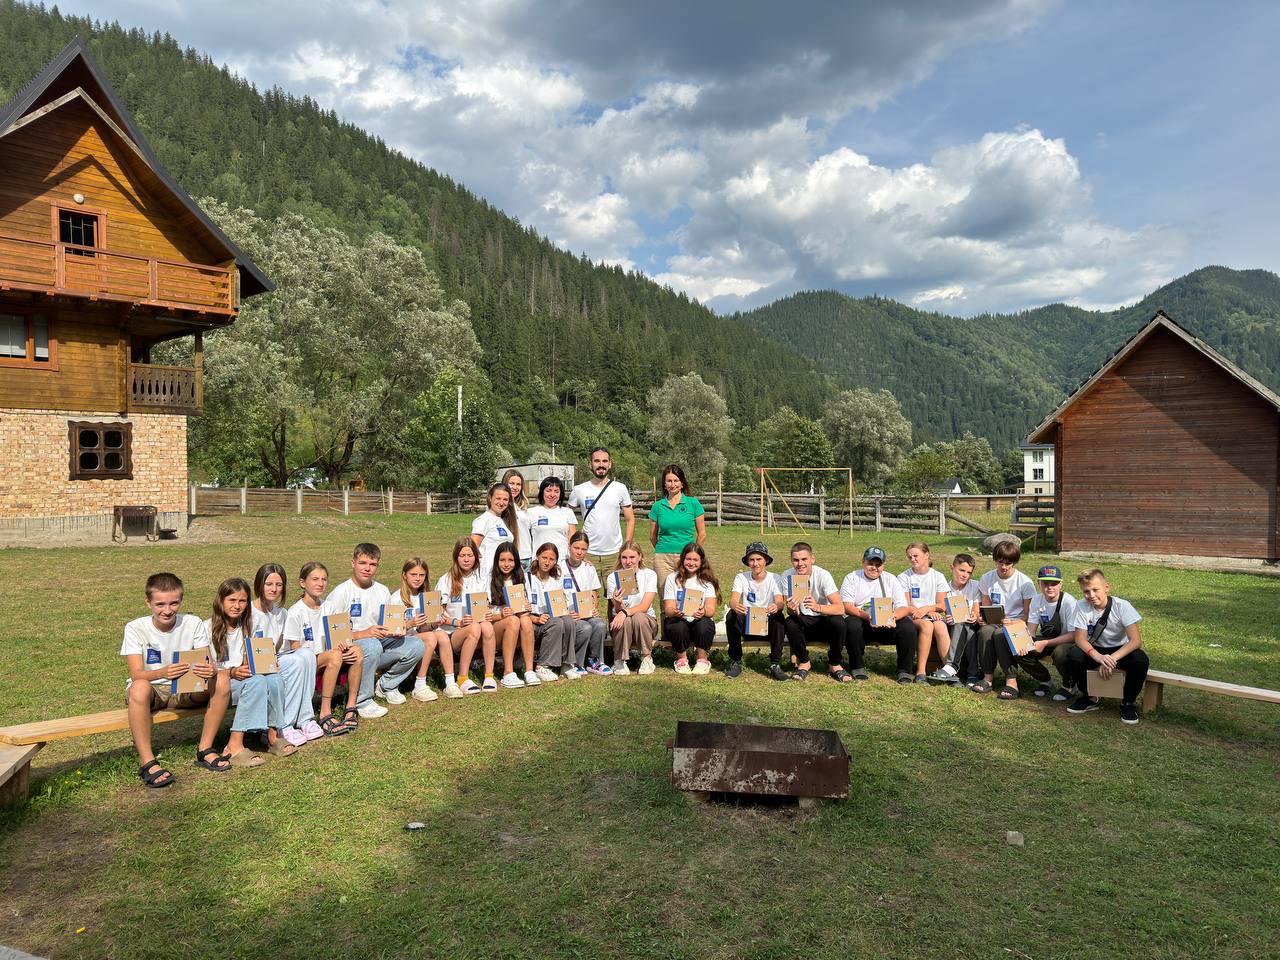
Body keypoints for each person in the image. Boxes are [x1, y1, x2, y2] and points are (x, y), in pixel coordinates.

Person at [121, 572, 229, 787]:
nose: (167, 610)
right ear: (148, 602)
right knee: (139, 687)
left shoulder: (193, 623)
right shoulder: (135, 627)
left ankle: (205, 749)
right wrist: (163, 672)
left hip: (185, 688)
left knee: (223, 678)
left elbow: (206, 660)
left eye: (174, 603)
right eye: (160, 604)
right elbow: (136, 674)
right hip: (153, 689)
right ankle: (148, 762)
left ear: (181, 601)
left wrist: (209, 670)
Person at [326, 543, 425, 717]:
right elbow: (333, 635)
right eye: (363, 563)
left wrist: (398, 628)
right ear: (353, 563)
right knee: (372, 644)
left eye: (372, 564)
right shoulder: (340, 593)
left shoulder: (382, 590)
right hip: (352, 646)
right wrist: (364, 634)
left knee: (417, 644)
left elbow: (389, 623)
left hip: (379, 641)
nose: (367, 568)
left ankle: (386, 685)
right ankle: (362, 701)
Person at [207, 577, 294, 768]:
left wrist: (266, 664)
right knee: (257, 682)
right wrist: (231, 672)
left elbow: (256, 657)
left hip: (243, 680)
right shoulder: (207, 628)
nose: (237, 606)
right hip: (218, 684)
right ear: (220, 600)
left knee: (275, 679)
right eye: (232, 600)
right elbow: (206, 667)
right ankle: (234, 745)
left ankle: (273, 735)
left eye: (242, 601)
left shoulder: (248, 627)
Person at [282, 561, 365, 735]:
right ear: (302, 583)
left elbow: (343, 637)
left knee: (356, 651)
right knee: (334, 656)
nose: (320, 583)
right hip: (308, 662)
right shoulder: (295, 612)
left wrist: (345, 645)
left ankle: (351, 706)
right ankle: (325, 711)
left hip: (330, 655)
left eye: (324, 579)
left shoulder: (330, 607)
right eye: (315, 579)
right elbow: (296, 650)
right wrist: (334, 653)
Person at [1065, 568, 1148, 724]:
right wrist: (1099, 657)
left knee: (1140, 660)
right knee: (1074, 654)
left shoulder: (1122, 606)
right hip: (1096, 650)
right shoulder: (1081, 606)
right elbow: (1080, 639)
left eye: (1095, 590)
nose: (1091, 595)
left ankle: (1128, 702)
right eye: (1086, 591)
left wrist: (1111, 659)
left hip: (1120, 650)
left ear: (1106, 587)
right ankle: (1090, 697)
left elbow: (1136, 641)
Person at [252, 563, 322, 748]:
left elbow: (284, 647)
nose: (274, 589)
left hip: (276, 660)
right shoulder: (249, 613)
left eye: (279, 584)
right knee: (295, 662)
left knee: (306, 654)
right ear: (259, 584)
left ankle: (305, 719)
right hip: (256, 666)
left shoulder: (282, 613)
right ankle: (284, 724)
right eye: (269, 584)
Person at [840, 546, 916, 683]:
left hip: (887, 623)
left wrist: (894, 617)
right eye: (870, 563)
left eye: (878, 564)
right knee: (852, 624)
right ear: (863, 562)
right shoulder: (852, 577)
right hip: (863, 621)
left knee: (908, 627)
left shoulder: (891, 579)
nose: (874, 568)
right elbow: (847, 606)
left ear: (883, 566)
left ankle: (905, 670)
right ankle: (857, 666)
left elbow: (903, 607)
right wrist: (867, 616)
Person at [972, 540, 1037, 698]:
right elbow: (986, 608)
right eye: (1000, 562)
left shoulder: (1025, 583)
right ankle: (987, 678)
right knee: (985, 631)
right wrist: (983, 619)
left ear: (1014, 562)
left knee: (1001, 634)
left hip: (1017, 623)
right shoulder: (987, 578)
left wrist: (1015, 622)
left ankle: (1011, 681)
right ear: (995, 559)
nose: (1004, 567)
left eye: (1009, 563)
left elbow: (1029, 615)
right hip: (996, 622)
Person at [436, 538, 498, 693]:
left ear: (475, 557)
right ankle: (462, 677)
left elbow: (486, 605)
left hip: (475, 628)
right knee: (475, 628)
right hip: (451, 634)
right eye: (462, 555)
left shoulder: (482, 579)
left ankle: (489, 675)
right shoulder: (446, 580)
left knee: (486, 626)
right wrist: (457, 622)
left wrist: (486, 614)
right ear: (456, 557)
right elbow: (437, 614)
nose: (466, 559)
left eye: (470, 555)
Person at [567, 447, 635, 588]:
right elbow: (567, 517)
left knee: (622, 597)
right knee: (587, 596)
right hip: (588, 554)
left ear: (610, 464)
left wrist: (626, 547)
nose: (601, 464)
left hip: (615, 553)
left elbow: (630, 519)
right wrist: (576, 546)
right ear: (590, 464)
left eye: (605, 461)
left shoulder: (620, 488)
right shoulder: (579, 490)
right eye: (596, 461)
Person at [780, 542, 847, 682]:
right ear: (791, 561)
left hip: (823, 619)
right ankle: (804, 662)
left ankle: (834, 664)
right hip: (804, 620)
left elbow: (840, 608)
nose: (800, 564)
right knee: (790, 622)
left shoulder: (823, 575)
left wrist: (818, 607)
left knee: (839, 622)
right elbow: (791, 611)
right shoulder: (787, 576)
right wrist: (792, 608)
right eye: (796, 560)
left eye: (804, 559)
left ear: (812, 559)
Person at [396, 557, 457, 702]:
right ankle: (420, 684)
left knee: (441, 634)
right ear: (404, 575)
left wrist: (434, 624)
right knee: (430, 637)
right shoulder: (396, 598)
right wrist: (410, 623)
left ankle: (450, 682)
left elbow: (425, 628)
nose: (418, 579)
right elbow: (393, 631)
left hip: (419, 637)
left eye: (421, 575)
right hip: (401, 641)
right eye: (413, 574)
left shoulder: (428, 597)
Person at [724, 541, 787, 681]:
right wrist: (735, 606)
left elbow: (780, 601)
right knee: (731, 615)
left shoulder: (775, 578)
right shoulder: (741, 577)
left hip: (767, 625)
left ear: (766, 560)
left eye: (759, 559)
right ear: (747, 562)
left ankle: (775, 664)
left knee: (779, 617)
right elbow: (733, 600)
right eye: (751, 560)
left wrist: (776, 606)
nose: (755, 563)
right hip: (747, 625)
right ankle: (736, 661)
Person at [1018, 564, 1081, 700]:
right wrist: (1027, 643)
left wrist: (1045, 643)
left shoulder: (1069, 602)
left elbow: (1073, 635)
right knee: (1019, 648)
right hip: (1047, 640)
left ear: (1061, 585)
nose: (1049, 587)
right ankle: (1045, 680)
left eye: (1054, 583)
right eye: (1045, 583)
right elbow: (1031, 630)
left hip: (1067, 642)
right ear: (1039, 584)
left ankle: (1069, 685)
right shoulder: (1036, 600)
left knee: (1060, 653)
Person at [662, 542, 720, 675]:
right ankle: (681, 659)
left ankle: (702, 659)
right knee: (677, 625)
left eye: (695, 559)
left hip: (697, 620)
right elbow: (668, 609)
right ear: (683, 559)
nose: (691, 563)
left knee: (705, 624)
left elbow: (711, 610)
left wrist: (703, 611)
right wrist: (675, 611)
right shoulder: (673, 578)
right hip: (679, 619)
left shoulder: (706, 581)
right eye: (688, 559)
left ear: (701, 561)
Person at [925, 553, 982, 686]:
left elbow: (976, 610)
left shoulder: (975, 586)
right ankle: (972, 674)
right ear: (952, 568)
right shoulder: (943, 588)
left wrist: (974, 616)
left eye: (969, 572)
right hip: (950, 627)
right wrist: (946, 618)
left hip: (970, 625)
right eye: (961, 570)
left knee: (967, 626)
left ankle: (953, 667)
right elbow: (938, 610)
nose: (965, 575)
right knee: (960, 624)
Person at [489, 542, 540, 689]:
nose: (506, 564)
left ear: (516, 561)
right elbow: (483, 613)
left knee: (524, 619)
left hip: (517, 625)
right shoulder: (489, 578)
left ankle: (529, 670)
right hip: (496, 627)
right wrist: (500, 613)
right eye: (502, 560)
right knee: (513, 620)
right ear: (496, 561)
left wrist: (527, 607)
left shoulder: (521, 578)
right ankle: (508, 672)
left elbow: (528, 605)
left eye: (510, 560)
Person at [898, 542, 951, 682]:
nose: (912, 559)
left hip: (930, 614)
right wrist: (924, 612)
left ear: (926, 555)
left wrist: (928, 609)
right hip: (912, 616)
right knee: (927, 625)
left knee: (940, 625)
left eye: (916, 556)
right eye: (910, 557)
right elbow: (906, 604)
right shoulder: (904, 577)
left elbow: (942, 605)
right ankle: (920, 672)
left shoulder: (938, 576)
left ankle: (948, 670)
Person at [648, 464, 706, 588]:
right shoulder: (657, 507)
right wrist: (663, 550)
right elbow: (652, 536)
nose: (672, 484)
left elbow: (702, 534)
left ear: (682, 483)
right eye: (669, 481)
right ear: (664, 484)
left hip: (686, 558)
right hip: (663, 558)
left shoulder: (693, 503)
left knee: (687, 595)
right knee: (665, 597)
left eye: (676, 480)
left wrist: (693, 554)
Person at [527, 542, 578, 681]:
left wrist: (567, 612)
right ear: (537, 556)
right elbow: (520, 609)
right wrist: (535, 618)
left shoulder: (556, 580)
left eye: (551, 559)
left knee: (568, 621)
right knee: (557, 623)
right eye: (544, 558)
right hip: (531, 619)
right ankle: (542, 665)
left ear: (555, 561)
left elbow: (560, 604)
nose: (547, 562)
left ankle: (566, 664)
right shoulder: (527, 578)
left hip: (551, 617)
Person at [607, 540, 658, 675]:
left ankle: (646, 657)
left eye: (632, 557)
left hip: (645, 622)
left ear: (640, 557)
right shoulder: (613, 577)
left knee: (639, 617)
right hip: (622, 621)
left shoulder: (649, 575)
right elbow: (617, 610)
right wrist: (618, 603)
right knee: (624, 620)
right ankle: (619, 660)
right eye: (624, 557)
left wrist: (624, 612)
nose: (628, 561)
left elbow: (645, 606)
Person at [564, 531, 611, 675]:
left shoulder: (589, 568)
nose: (579, 552)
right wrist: (567, 613)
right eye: (576, 548)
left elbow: (593, 592)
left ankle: (594, 661)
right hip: (568, 614)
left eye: (583, 549)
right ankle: (575, 662)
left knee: (600, 624)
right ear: (569, 546)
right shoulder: (559, 567)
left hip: (585, 611)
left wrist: (594, 608)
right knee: (584, 627)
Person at [471, 483, 520, 579]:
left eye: (505, 499)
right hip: (488, 575)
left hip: (502, 574)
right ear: (490, 498)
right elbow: (472, 548)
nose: (501, 503)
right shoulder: (483, 520)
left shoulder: (502, 520)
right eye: (498, 498)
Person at [526, 475, 578, 563]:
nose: (552, 495)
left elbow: (573, 540)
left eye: (556, 491)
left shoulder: (568, 512)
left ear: (560, 494)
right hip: (539, 563)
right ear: (542, 492)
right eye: (548, 491)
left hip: (562, 561)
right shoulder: (531, 513)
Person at [502, 468, 535, 574]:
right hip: (512, 557)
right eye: (511, 483)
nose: (515, 487)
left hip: (527, 557)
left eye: (518, 484)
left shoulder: (522, 506)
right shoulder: (501, 505)